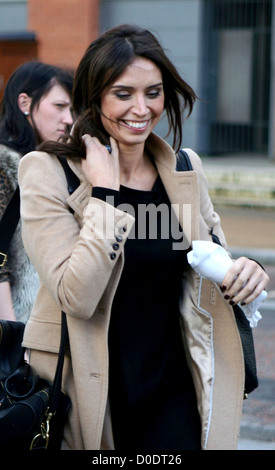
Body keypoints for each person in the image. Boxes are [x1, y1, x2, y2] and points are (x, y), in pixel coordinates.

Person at [18, 25, 269, 450]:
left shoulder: (184, 170)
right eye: (123, 93)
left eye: (153, 92)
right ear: (94, 96)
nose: (141, 107)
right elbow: (75, 296)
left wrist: (248, 271)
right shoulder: (48, 171)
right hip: (86, 386)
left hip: (172, 388)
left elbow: (214, 258)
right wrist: (104, 193)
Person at [0, 61, 74, 322]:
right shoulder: (5, 164)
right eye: (59, 106)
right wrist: (12, 336)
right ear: (24, 104)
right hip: (21, 326)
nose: (68, 119)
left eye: (71, 109)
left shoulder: (56, 166)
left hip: (52, 328)